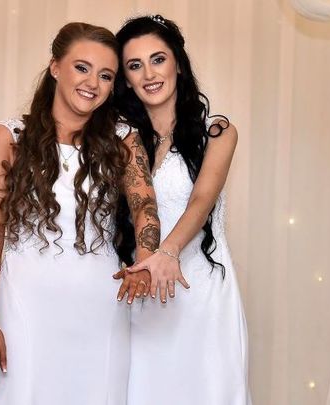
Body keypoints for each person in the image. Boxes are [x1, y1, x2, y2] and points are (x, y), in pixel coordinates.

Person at [0, 22, 158, 405]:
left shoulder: (124, 139)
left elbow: (145, 207)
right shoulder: (11, 137)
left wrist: (145, 256)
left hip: (100, 306)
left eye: (106, 75)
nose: (93, 82)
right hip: (25, 306)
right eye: (82, 67)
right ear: (55, 66)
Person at [113, 15, 252, 404]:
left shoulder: (217, 130)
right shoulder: (122, 138)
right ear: (125, 78)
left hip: (201, 287)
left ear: (177, 62)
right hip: (144, 292)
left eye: (158, 59)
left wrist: (167, 252)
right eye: (135, 65)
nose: (149, 74)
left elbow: (201, 200)